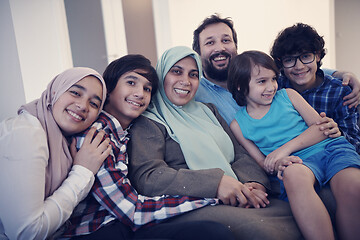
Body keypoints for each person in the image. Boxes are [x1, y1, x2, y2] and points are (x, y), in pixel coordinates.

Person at [128, 46, 305, 239]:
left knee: (297, 215)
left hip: (239, 191)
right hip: (192, 201)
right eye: (176, 71)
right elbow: (149, 177)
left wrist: (255, 184)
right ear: (161, 74)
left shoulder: (208, 110)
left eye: (194, 74)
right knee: (261, 231)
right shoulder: (148, 120)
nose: (185, 81)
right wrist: (217, 183)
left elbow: (239, 153)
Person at [61, 54, 234, 240]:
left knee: (211, 231)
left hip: (122, 226)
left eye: (147, 88)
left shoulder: (126, 132)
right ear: (108, 89)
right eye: (131, 83)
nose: (140, 93)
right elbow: (132, 211)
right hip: (97, 231)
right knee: (213, 233)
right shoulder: (98, 137)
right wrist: (209, 198)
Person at [227, 50, 360, 240]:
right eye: (262, 81)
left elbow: (322, 129)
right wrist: (277, 163)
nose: (271, 86)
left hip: (331, 149)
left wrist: (283, 149)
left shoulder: (287, 95)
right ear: (240, 86)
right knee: (293, 176)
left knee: (353, 184)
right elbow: (264, 163)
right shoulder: (238, 124)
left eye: (273, 79)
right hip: (296, 162)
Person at [0, 67, 112, 239]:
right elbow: (27, 234)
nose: (83, 106)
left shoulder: (65, 141)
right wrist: (82, 172)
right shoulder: (27, 133)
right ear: (54, 91)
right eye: (75, 92)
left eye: (94, 103)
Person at [193, 14, 360, 125]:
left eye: (226, 40)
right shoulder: (196, 91)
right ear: (198, 52)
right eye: (210, 42)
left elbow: (296, 69)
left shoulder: (260, 75)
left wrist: (342, 74)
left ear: (236, 46)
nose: (220, 48)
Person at [270, 23, 360, 153]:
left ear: (317, 56)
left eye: (306, 56)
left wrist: (338, 133)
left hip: (332, 156)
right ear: (281, 62)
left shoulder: (340, 91)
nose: (299, 66)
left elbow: (355, 144)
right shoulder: (275, 87)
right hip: (290, 159)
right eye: (289, 60)